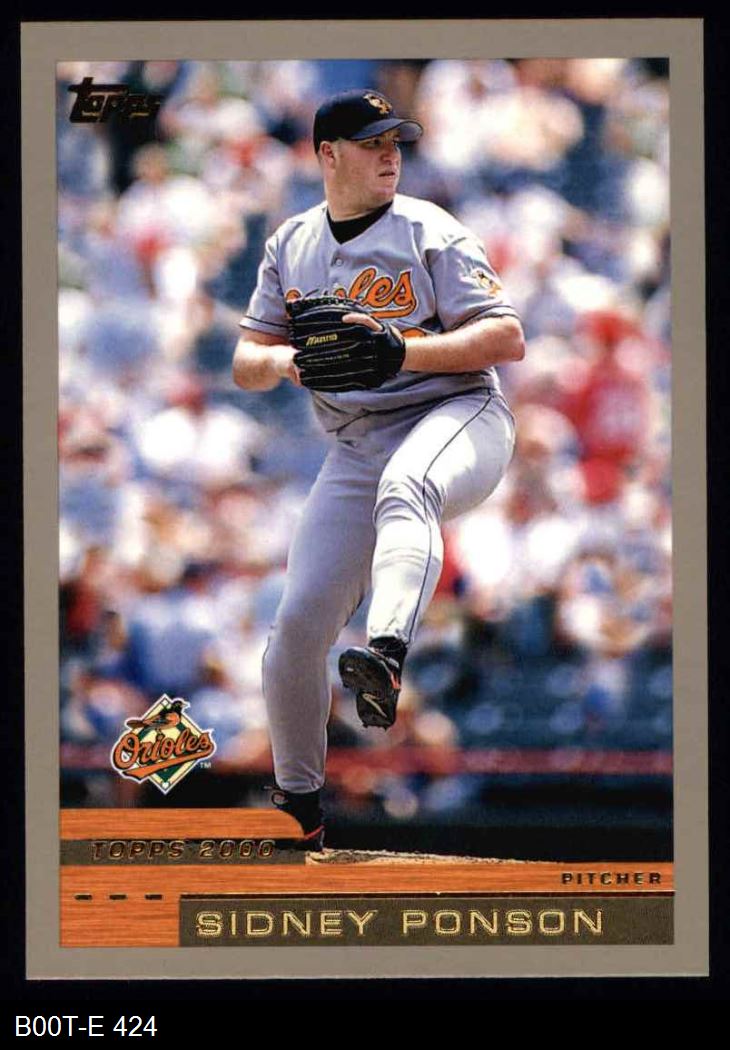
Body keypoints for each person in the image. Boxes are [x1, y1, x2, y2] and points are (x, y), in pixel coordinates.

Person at [232, 89, 524, 848]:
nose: (391, 154)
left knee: (409, 487)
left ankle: (386, 652)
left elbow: (507, 337)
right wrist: (287, 361)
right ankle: (300, 805)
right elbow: (245, 361)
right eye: (372, 142)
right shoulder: (291, 242)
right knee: (296, 629)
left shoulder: (431, 230)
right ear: (327, 155)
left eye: (396, 140)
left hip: (455, 412)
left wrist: (402, 350)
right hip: (357, 441)